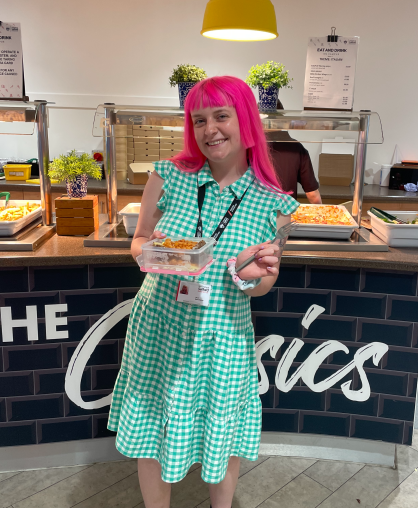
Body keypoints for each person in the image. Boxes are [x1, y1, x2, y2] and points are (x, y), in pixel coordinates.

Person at [107, 76, 299, 508]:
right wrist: (160, 256)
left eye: (221, 116)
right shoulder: (167, 176)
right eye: (199, 120)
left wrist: (251, 274)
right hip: (159, 325)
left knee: (223, 433)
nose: (209, 129)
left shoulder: (276, 204)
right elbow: (139, 240)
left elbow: (265, 283)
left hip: (222, 335)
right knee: (151, 427)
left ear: (245, 120)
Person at [267, 130, 322, 203]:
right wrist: (321, 209)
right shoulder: (296, 147)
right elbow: (312, 194)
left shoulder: (255, 146)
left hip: (258, 208)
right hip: (286, 207)